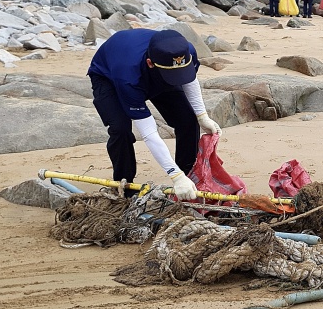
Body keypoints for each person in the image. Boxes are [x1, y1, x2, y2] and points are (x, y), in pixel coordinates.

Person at [88, 29, 223, 201]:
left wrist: (202, 115)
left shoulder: (185, 51)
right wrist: (174, 175)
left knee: (188, 120)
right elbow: (149, 133)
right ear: (151, 63)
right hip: (108, 77)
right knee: (120, 129)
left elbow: (189, 79)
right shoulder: (128, 76)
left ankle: (188, 175)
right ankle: (124, 185)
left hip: (160, 73)